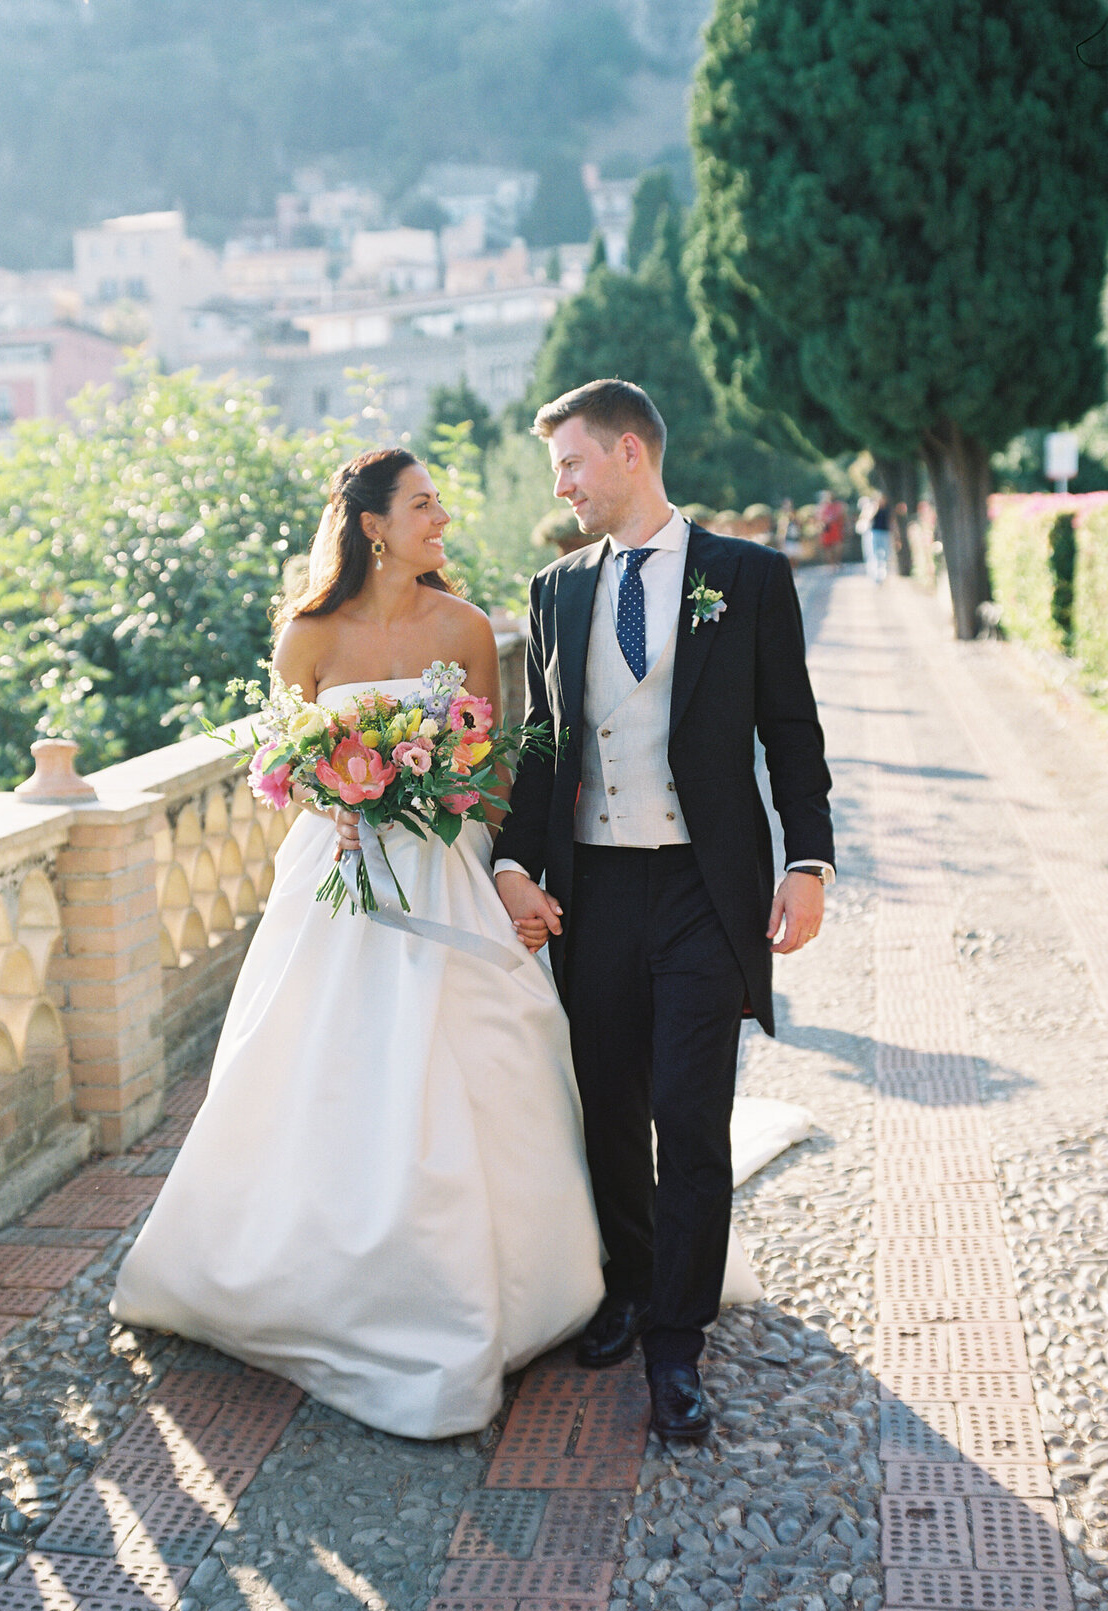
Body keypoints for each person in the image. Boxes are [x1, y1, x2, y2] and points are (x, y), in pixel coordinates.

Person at [110, 447, 605, 1440]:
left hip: (441, 874)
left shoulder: (467, 629)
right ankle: (302, 1272)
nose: (443, 519)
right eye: (425, 504)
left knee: (482, 1055)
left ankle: (510, 1277)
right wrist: (334, 799)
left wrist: (464, 832)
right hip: (334, 883)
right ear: (375, 523)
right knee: (312, 1064)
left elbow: (491, 774)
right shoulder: (306, 636)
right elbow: (278, 767)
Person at [493, 380, 834, 1441]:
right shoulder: (555, 589)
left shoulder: (746, 575)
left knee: (690, 1110)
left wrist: (809, 859)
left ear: (631, 451)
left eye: (572, 462)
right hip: (595, 890)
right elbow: (544, 737)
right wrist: (513, 861)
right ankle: (631, 1284)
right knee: (610, 1106)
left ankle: (676, 1342)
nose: (562, 484)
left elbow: (790, 728)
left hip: (701, 885)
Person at [856, 491, 892, 583]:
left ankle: (883, 574)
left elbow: (891, 522)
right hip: (874, 533)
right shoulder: (872, 508)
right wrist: (874, 509)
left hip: (885, 532)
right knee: (874, 553)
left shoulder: (887, 510)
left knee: (885, 554)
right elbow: (867, 518)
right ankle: (875, 575)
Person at [816, 489, 846, 571]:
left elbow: (842, 516)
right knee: (828, 549)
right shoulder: (822, 507)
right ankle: (832, 565)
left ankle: (838, 562)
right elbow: (819, 519)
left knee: (838, 548)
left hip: (836, 529)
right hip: (827, 530)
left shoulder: (837, 505)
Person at [775, 497, 803, 567]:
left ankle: (795, 571)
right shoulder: (782, 517)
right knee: (788, 558)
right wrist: (780, 540)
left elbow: (799, 527)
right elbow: (781, 530)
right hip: (787, 540)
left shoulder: (795, 515)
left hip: (795, 539)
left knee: (795, 557)